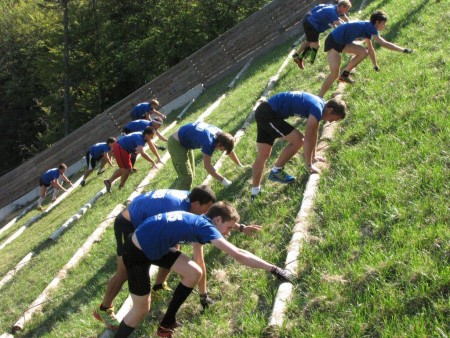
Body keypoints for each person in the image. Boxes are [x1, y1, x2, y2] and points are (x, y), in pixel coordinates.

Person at [114, 202, 293, 338]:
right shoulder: (205, 228)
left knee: (193, 272)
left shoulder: (202, 221)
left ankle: (166, 325)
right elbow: (238, 254)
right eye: (228, 228)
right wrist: (273, 269)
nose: (228, 233)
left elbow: (200, 260)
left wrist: (203, 294)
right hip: (136, 253)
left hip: (152, 245)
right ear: (216, 220)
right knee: (141, 309)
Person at [251, 91, 347, 200]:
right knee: (299, 140)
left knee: (263, 155)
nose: (331, 121)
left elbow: (314, 134)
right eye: (333, 118)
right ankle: (276, 171)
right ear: (330, 110)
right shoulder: (317, 109)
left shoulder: (319, 105)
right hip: (268, 114)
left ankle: (255, 192)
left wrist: (314, 156)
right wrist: (309, 165)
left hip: (264, 111)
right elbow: (308, 139)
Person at [318, 10, 413, 98]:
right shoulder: (370, 28)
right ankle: (319, 97)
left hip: (342, 42)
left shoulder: (367, 27)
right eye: (383, 23)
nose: (384, 26)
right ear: (377, 22)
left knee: (363, 52)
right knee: (334, 74)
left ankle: (344, 75)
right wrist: (403, 50)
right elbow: (384, 43)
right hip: (333, 42)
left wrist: (375, 65)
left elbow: (370, 49)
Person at [168, 121, 243, 190]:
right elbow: (207, 166)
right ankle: (176, 201)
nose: (221, 151)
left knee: (190, 174)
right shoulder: (209, 142)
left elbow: (230, 151)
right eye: (222, 149)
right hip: (176, 144)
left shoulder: (221, 135)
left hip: (184, 141)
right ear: (220, 144)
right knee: (186, 178)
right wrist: (223, 180)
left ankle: (171, 191)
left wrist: (239, 165)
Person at [293, 0, 352, 69]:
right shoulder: (332, 11)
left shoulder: (336, 9)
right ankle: (306, 60)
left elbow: (344, 18)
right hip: (312, 25)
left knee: (310, 42)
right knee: (315, 45)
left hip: (312, 24)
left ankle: (300, 57)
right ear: (342, 6)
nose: (347, 11)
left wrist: (351, 24)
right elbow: (339, 24)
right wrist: (350, 30)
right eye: (347, 9)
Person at [103, 126, 161, 192]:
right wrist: (153, 162)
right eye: (151, 136)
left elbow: (151, 147)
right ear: (147, 134)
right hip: (120, 148)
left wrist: (158, 157)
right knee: (127, 169)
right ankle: (120, 187)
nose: (152, 138)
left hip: (122, 148)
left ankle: (109, 182)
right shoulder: (140, 138)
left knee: (125, 168)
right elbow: (143, 153)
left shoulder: (144, 136)